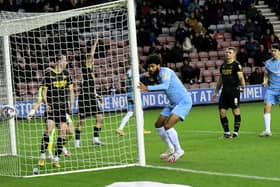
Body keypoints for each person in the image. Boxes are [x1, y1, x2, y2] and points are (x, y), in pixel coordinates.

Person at [138, 54, 192, 163]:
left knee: (168, 125)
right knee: (158, 124)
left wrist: (147, 88)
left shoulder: (165, 72)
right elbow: (146, 78)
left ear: (158, 65)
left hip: (183, 102)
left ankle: (178, 150)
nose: (150, 69)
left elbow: (165, 86)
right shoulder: (156, 75)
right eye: (149, 67)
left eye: (152, 66)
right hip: (172, 103)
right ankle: (171, 148)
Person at [38, 54, 74, 168]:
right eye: (64, 60)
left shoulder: (67, 74)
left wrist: (72, 103)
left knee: (63, 132)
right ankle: (42, 156)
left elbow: (71, 90)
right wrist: (46, 104)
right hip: (52, 107)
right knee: (49, 129)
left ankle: (57, 159)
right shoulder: (49, 74)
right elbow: (43, 92)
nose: (66, 62)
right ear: (58, 61)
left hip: (63, 108)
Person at [28, 82, 73, 159]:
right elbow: (38, 101)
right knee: (50, 131)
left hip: (62, 110)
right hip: (51, 112)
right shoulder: (43, 87)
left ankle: (61, 146)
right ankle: (49, 153)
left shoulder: (61, 82)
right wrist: (31, 112)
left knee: (70, 132)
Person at [75, 33, 104, 147]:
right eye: (90, 60)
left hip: (91, 96)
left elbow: (91, 88)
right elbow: (91, 54)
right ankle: (77, 143)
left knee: (99, 117)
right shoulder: (86, 68)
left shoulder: (91, 73)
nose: (92, 61)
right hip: (84, 97)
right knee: (82, 121)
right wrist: (96, 41)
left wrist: (97, 96)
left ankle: (95, 139)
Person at [212, 47, 246, 138]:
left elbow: (241, 77)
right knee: (222, 112)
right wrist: (216, 92)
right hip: (224, 92)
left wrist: (243, 87)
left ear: (234, 54)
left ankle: (235, 132)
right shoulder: (223, 66)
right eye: (226, 52)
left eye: (230, 52)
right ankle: (227, 133)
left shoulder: (236, 65)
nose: (227, 54)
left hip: (234, 91)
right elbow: (220, 80)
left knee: (235, 112)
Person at [115, 68, 151, 136]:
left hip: (129, 93)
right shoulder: (132, 71)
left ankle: (120, 129)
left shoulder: (128, 72)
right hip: (133, 94)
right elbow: (135, 78)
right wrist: (143, 74)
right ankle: (141, 129)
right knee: (140, 111)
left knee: (130, 113)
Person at [259, 43, 280, 137]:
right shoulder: (268, 63)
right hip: (271, 89)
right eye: (272, 51)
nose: (273, 52)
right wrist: (265, 81)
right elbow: (266, 74)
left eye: (275, 51)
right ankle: (267, 130)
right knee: (266, 107)